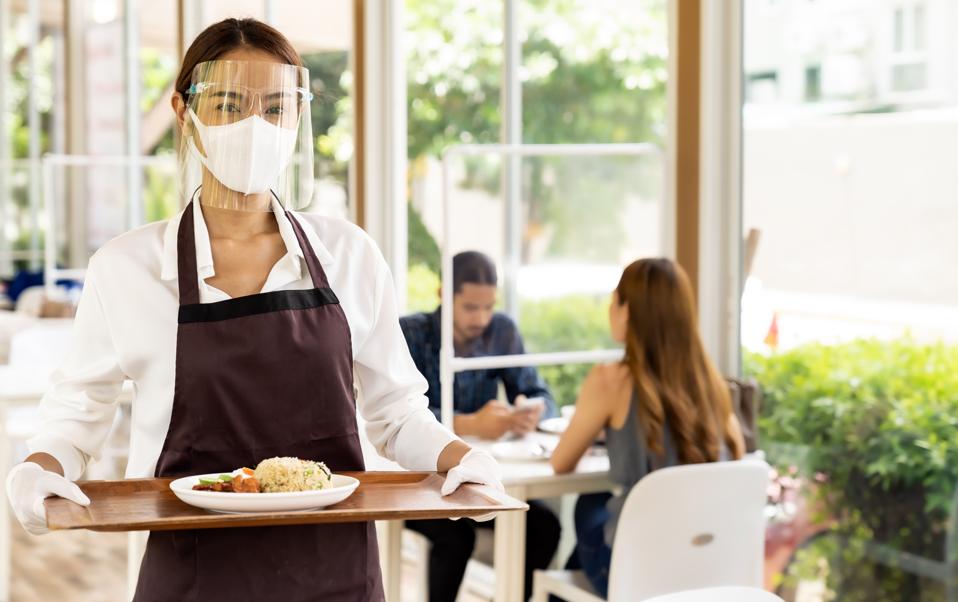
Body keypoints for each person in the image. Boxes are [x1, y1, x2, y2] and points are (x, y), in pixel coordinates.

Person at [4, 18, 501, 601]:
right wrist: (39, 466)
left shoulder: (349, 255)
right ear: (184, 113)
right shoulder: (126, 267)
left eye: (275, 107)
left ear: (297, 117)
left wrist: (460, 456)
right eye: (229, 103)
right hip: (192, 572)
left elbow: (395, 411)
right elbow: (78, 412)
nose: (254, 126)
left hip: (335, 572)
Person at [550, 258, 746, 598]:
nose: (610, 310)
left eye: (614, 300)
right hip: (708, 567)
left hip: (639, 571)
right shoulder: (711, 384)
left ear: (627, 310)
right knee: (582, 551)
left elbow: (561, 463)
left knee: (590, 502)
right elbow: (738, 460)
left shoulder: (610, 379)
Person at [400, 250, 560, 602]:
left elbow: (542, 395)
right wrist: (471, 423)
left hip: (481, 476)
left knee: (544, 526)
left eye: (488, 307)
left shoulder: (502, 331)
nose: (482, 318)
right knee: (456, 537)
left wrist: (530, 409)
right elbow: (398, 416)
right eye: (471, 308)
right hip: (420, 479)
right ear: (445, 295)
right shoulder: (409, 333)